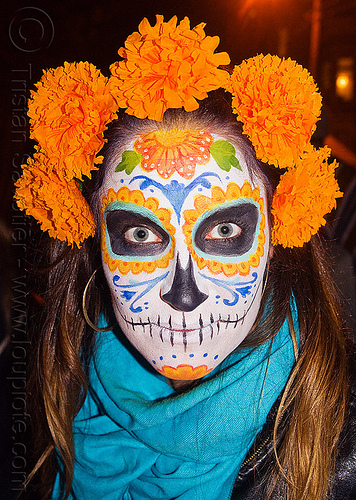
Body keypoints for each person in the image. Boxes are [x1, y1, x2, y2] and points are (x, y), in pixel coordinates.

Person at [15, 15, 355, 500]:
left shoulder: (345, 445)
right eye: (139, 233)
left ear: (279, 233)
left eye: (223, 230)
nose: (184, 291)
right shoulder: (59, 384)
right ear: (94, 245)